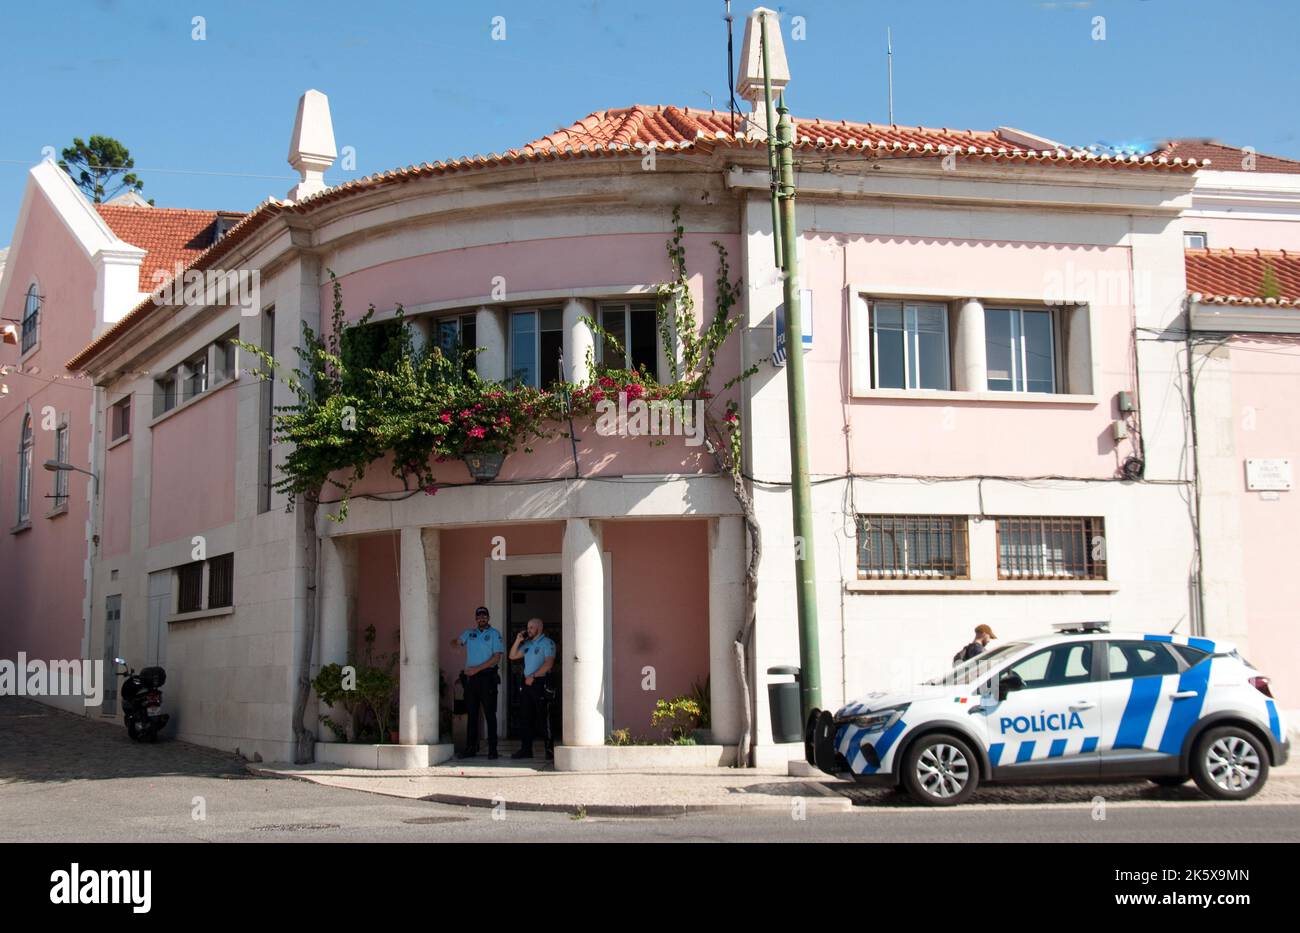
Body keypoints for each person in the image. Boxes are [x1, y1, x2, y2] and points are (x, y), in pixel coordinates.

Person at [449, 606, 503, 759]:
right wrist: (454, 643)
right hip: (472, 680)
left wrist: (477, 669)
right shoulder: (469, 633)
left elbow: (496, 657)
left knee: (490, 715)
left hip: (487, 678)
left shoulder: (494, 634)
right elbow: (457, 643)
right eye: (479, 616)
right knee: (472, 715)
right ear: (475, 618)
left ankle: (493, 750)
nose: (481, 618)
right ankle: (470, 748)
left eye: (484, 616)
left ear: (488, 617)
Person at [508, 617, 556, 761]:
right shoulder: (527, 644)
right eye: (528, 627)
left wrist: (533, 676)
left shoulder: (548, 643)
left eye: (531, 628)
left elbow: (549, 664)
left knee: (544, 717)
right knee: (525, 718)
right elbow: (512, 656)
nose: (528, 630)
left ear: (539, 628)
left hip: (540, 683)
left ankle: (549, 750)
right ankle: (526, 749)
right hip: (527, 684)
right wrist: (518, 640)